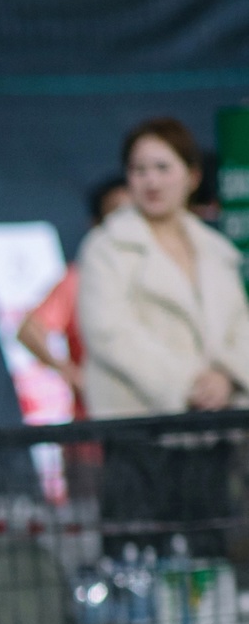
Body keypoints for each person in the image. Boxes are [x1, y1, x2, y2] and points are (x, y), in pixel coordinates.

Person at [78, 117, 249, 419]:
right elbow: (110, 333)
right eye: (139, 170)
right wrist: (188, 385)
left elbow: (240, 324)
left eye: (162, 168)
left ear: (192, 176)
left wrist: (227, 376)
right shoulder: (106, 247)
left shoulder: (217, 249)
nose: (151, 182)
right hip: (140, 421)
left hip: (222, 419)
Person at [14, 174, 130, 416]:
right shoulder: (79, 280)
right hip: (98, 420)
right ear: (96, 225)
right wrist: (72, 374)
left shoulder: (168, 275)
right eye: (117, 217)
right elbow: (29, 330)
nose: (127, 226)